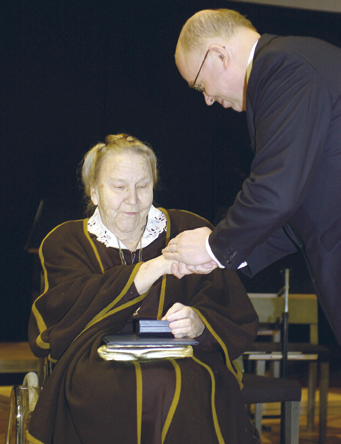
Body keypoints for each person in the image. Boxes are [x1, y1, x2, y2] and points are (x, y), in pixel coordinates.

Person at [28, 133, 259, 444]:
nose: (133, 200)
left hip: (187, 359)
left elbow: (231, 308)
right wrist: (156, 267)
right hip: (94, 364)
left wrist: (200, 322)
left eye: (143, 186)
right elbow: (63, 316)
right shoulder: (64, 241)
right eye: (119, 187)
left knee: (181, 382)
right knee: (131, 385)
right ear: (95, 191)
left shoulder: (188, 230)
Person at [163, 8, 341, 344]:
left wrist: (213, 246)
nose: (208, 99)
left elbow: (277, 191)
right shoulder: (286, 67)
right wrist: (221, 257)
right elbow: (295, 212)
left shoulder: (284, 68)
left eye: (201, 84)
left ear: (219, 54)